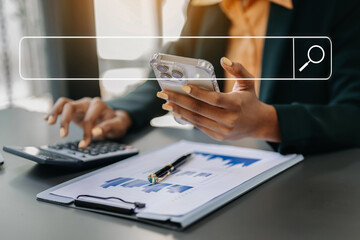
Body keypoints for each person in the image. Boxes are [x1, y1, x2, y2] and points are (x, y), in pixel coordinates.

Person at [44, 0, 360, 154]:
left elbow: (353, 112)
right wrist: (122, 112)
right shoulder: (205, 7)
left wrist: (267, 121)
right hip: (219, 170)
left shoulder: (337, 7)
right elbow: (169, 71)